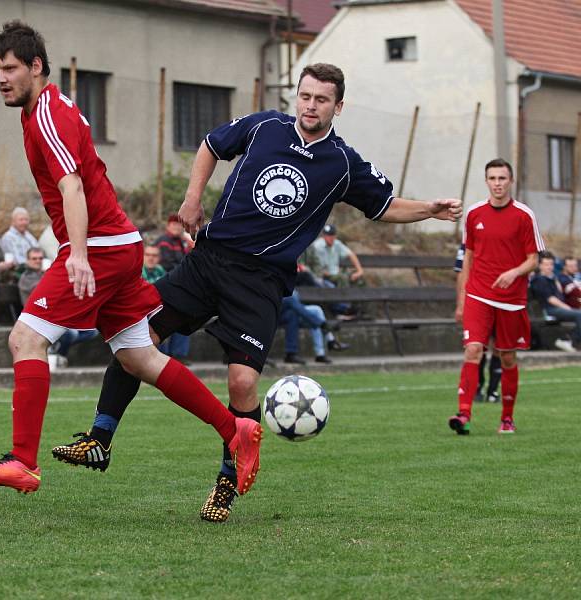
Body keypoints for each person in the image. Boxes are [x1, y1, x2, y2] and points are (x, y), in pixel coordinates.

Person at [54, 62, 462, 522]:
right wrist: (192, 198)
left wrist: (428, 208)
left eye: (321, 99)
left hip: (261, 281)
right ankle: (99, 440)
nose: (311, 106)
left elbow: (384, 205)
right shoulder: (265, 125)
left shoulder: (343, 163)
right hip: (209, 261)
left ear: (338, 106)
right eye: (305, 96)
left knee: (243, 381)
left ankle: (226, 482)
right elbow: (211, 144)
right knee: (135, 339)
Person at [0, 21, 262, 499]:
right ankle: (235, 430)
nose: (0, 77)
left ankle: (22, 460)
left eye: (10, 68)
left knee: (24, 339)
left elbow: (72, 186)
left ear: (36, 66)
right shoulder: (46, 109)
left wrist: (77, 254)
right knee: (140, 357)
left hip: (99, 247)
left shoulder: (46, 114)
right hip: (117, 245)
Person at [450, 158, 544, 436]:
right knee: (473, 350)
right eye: (492, 178)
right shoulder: (474, 214)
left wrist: (514, 273)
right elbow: (467, 258)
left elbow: (533, 260)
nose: (497, 184)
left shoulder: (524, 215)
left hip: (511, 299)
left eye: (502, 178)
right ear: (487, 181)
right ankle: (463, 414)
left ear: (511, 181)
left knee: (507, 358)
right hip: (479, 294)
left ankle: (507, 418)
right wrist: (462, 299)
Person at [18, 246, 97, 367]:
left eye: (40, 258)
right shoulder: (26, 278)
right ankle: (59, 355)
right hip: (38, 319)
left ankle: (56, 351)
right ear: (27, 261)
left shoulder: (48, 275)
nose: (38, 261)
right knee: (71, 334)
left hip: (59, 315)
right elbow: (41, 291)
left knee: (91, 331)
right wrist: (48, 277)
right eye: (34, 259)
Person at [454, 243, 501, 403]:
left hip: (502, 299)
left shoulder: (509, 235)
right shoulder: (469, 241)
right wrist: (461, 304)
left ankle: (493, 391)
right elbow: (461, 273)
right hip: (478, 300)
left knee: (500, 347)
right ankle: (477, 388)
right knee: (477, 346)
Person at [154, 214, 193, 363]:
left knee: (184, 318)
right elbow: (167, 264)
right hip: (170, 284)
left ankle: (178, 355)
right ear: (168, 226)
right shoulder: (164, 242)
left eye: (179, 225)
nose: (177, 227)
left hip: (181, 285)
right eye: (174, 225)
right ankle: (166, 356)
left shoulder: (182, 242)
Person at [530, 253, 580, 352]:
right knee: (580, 315)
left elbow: (560, 293)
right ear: (540, 265)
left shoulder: (552, 278)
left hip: (556, 309)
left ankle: (569, 340)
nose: (550, 267)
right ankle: (566, 340)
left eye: (551, 264)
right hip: (549, 310)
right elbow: (550, 299)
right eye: (546, 264)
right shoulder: (539, 279)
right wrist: (567, 307)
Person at [311, 223, 362, 318]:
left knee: (356, 278)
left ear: (335, 236)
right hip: (322, 275)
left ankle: (358, 309)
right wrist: (322, 272)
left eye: (332, 235)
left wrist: (359, 271)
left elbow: (351, 254)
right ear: (323, 236)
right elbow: (314, 264)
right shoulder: (317, 246)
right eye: (327, 235)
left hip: (334, 274)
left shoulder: (337, 244)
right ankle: (345, 308)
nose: (330, 238)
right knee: (342, 278)